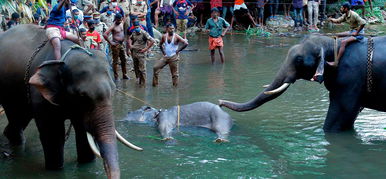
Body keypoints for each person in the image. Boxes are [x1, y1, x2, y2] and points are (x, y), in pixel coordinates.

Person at [326, 2, 366, 67]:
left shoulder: (354, 15)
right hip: (352, 31)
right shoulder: (345, 15)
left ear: (346, 8)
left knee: (343, 42)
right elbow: (338, 20)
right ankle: (334, 53)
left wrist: (357, 33)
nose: (340, 9)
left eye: (342, 7)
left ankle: (336, 62)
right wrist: (331, 20)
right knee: (337, 35)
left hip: (359, 34)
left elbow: (363, 23)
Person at [127, 21, 155, 87]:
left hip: (141, 53)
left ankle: (143, 84)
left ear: (140, 26)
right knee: (136, 67)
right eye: (135, 27)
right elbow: (130, 39)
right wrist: (130, 45)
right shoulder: (133, 32)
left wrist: (146, 49)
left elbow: (152, 41)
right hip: (134, 52)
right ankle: (138, 80)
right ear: (134, 27)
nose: (137, 28)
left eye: (138, 27)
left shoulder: (144, 33)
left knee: (142, 69)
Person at [103, 13, 129, 80]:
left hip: (121, 44)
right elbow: (105, 34)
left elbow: (125, 18)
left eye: (120, 20)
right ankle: (116, 76)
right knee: (115, 61)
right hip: (115, 45)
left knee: (124, 59)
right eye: (118, 20)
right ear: (116, 19)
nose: (119, 21)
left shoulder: (122, 22)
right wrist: (111, 42)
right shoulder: (113, 26)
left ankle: (124, 74)